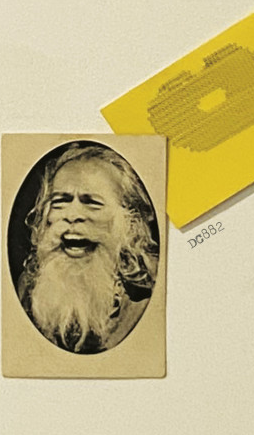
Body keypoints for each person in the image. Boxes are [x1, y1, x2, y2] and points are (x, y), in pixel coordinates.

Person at [16, 142, 159, 354]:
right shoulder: (28, 288)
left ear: (130, 220)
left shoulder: (150, 292)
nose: (72, 215)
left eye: (92, 202)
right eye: (60, 202)